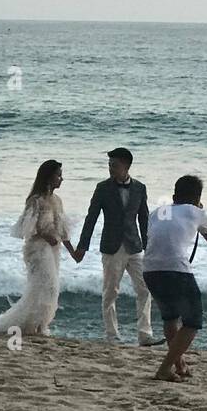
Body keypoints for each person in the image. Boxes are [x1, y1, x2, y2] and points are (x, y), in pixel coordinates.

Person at [0, 159, 75, 336]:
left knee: (51, 288)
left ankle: (40, 324)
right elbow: (27, 228)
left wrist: (73, 251)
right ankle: (32, 324)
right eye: (58, 175)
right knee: (44, 287)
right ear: (48, 176)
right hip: (37, 250)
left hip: (53, 250)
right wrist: (46, 236)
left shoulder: (57, 200)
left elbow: (63, 229)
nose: (61, 178)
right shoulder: (35, 200)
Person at [72, 147, 157, 346]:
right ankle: (112, 335)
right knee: (111, 291)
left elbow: (144, 218)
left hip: (134, 246)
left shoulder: (139, 188)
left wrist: (149, 246)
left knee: (144, 289)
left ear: (126, 166)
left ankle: (144, 334)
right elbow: (91, 218)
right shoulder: (102, 188)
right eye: (109, 165)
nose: (110, 168)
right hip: (111, 246)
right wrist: (82, 245)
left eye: (114, 165)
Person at [142, 175, 207, 383]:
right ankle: (165, 368)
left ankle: (179, 364)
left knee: (170, 318)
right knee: (193, 322)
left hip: (150, 269)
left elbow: (152, 237)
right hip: (176, 270)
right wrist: (203, 212)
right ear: (198, 198)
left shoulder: (158, 212)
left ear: (174, 195)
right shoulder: (197, 212)